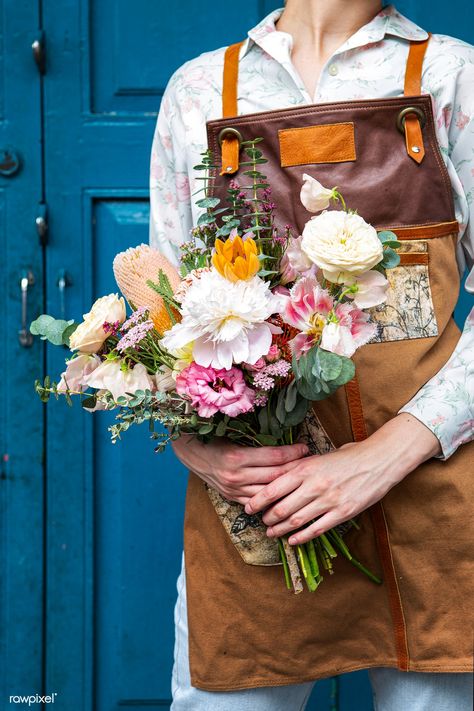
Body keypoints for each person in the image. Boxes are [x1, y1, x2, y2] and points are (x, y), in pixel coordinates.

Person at [149, 2, 474, 709]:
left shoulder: (453, 76)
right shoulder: (201, 91)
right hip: (262, 514)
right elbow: (164, 322)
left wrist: (383, 454)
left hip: (436, 501)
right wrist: (194, 446)